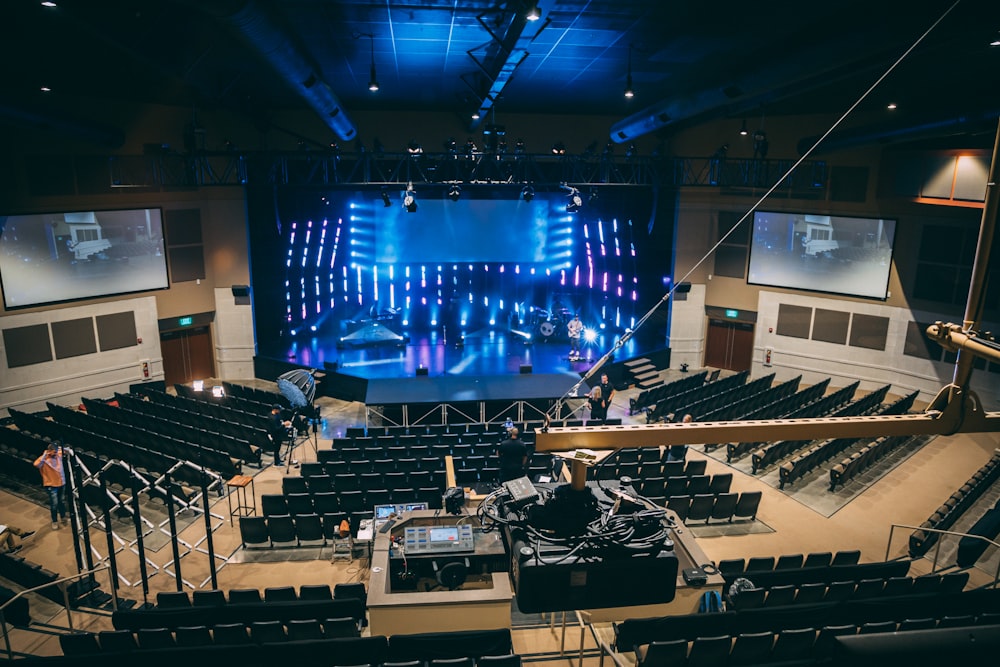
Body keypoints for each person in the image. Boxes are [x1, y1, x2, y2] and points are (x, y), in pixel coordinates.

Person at [34, 443, 68, 530]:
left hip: (61, 483)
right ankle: (54, 521)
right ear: (49, 452)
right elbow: (36, 464)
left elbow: (67, 450)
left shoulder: (58, 454)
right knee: (54, 504)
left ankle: (63, 517)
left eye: (56, 452)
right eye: (53, 452)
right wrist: (45, 454)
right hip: (51, 485)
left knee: (62, 502)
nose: (55, 454)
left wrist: (60, 448)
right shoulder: (44, 459)